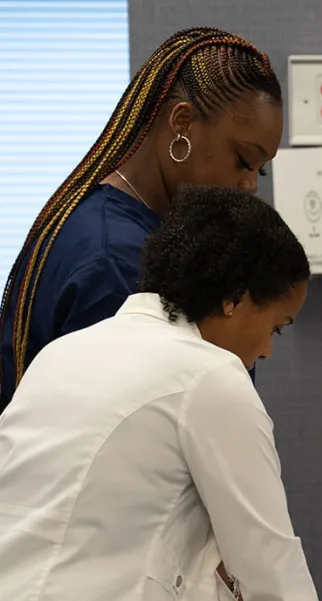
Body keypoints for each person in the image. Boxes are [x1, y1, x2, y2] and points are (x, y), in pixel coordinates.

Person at [0, 184, 322, 601]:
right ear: (235, 298)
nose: (267, 350)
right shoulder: (210, 377)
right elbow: (269, 559)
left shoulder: (61, 356)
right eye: (277, 327)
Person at [0, 25, 282, 412]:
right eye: (244, 160)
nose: (250, 185)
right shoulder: (118, 262)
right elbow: (150, 427)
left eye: (260, 169)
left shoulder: (109, 222)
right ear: (182, 123)